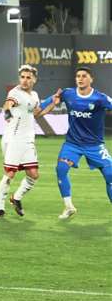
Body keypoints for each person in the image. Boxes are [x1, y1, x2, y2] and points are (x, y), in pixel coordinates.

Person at [39, 66, 112, 220]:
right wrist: (46, 105)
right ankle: (68, 206)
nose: (80, 78)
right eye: (78, 76)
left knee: (110, 175)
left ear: (91, 79)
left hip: (95, 145)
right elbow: (45, 106)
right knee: (61, 169)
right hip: (73, 144)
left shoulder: (100, 98)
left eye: (84, 76)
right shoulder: (68, 93)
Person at [0, 65, 43, 218]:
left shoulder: (35, 95)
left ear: (34, 80)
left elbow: (35, 114)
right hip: (14, 139)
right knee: (10, 173)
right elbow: (8, 103)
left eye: (28, 77)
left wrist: (53, 104)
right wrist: (7, 112)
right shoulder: (15, 92)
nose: (24, 80)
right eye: (22, 77)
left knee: (34, 174)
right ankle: (0, 208)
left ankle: (16, 198)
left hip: (28, 140)